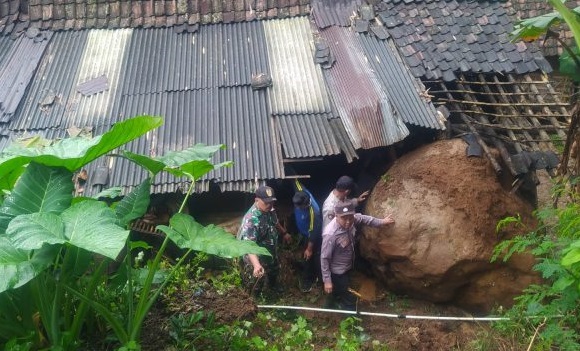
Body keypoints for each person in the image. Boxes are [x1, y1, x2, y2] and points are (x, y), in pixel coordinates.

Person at [320, 200, 394, 310]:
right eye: (344, 218)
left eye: (350, 217)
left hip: (348, 264)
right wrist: (327, 281)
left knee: (337, 290)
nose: (348, 222)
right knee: (349, 298)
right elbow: (325, 258)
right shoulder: (331, 234)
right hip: (338, 272)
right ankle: (350, 321)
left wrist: (381, 222)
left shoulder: (352, 219)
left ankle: (329, 304)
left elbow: (365, 219)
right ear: (336, 216)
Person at [237, 185, 292, 296]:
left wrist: (284, 233)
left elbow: (275, 222)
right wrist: (256, 265)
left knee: (274, 268)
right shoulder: (251, 220)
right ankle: (255, 298)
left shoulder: (270, 209)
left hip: (270, 249)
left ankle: (273, 286)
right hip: (255, 255)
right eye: (266, 202)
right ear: (257, 200)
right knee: (258, 278)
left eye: (271, 202)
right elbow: (249, 245)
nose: (269, 205)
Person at [292, 179, 322, 293]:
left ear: (306, 204)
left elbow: (314, 232)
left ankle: (311, 279)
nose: (298, 208)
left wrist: (309, 249)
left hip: (312, 237)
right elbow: (295, 181)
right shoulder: (300, 191)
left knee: (311, 257)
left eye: (300, 207)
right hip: (303, 231)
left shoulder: (314, 212)